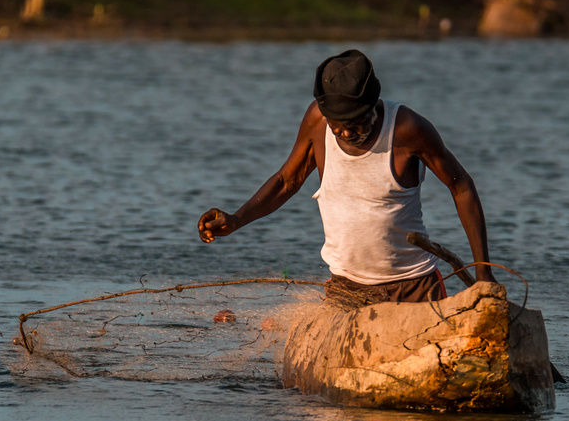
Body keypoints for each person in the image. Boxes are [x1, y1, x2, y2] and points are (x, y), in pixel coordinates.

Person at [197, 49, 493, 307]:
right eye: (338, 125)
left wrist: (483, 273)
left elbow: (461, 186)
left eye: (357, 123)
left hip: (413, 287)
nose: (347, 133)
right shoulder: (316, 121)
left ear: (374, 105)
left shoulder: (407, 129)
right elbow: (288, 180)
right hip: (347, 289)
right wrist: (236, 219)